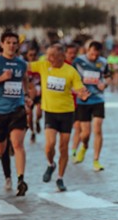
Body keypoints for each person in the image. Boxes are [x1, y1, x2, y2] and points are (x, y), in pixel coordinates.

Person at [29, 44, 88, 191]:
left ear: (62, 56)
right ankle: (51, 164)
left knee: (63, 147)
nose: (49, 58)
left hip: (67, 112)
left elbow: (79, 87)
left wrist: (82, 93)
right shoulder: (44, 65)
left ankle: (60, 178)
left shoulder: (70, 71)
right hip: (50, 112)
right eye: (48, 55)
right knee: (49, 145)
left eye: (53, 56)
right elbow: (24, 66)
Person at [0, 31, 31, 196]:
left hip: (17, 110)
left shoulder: (21, 63)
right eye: (8, 42)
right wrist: (1, 78)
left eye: (14, 43)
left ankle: (21, 180)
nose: (12, 45)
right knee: (0, 148)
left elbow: (24, 80)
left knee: (17, 144)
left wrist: (27, 97)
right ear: (2, 44)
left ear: (18, 45)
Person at [72, 41, 110, 171]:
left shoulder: (103, 62)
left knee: (98, 129)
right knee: (85, 133)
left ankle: (96, 160)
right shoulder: (78, 61)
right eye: (92, 54)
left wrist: (104, 84)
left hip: (98, 99)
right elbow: (71, 78)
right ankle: (84, 146)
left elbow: (108, 76)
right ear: (88, 50)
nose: (94, 57)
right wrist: (78, 91)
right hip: (83, 100)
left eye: (97, 55)